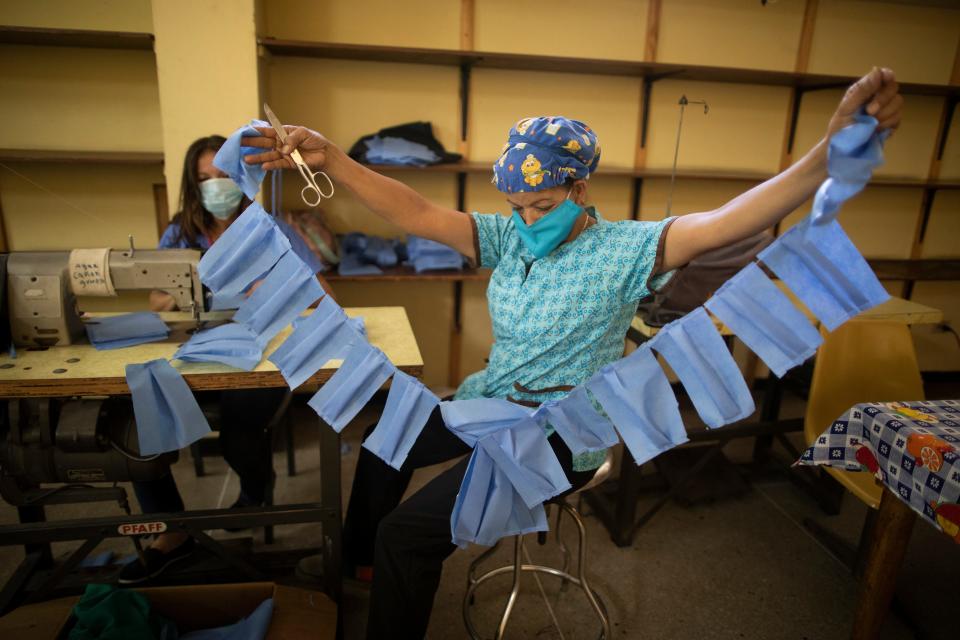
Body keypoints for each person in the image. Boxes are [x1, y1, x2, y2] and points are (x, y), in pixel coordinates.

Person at [243, 68, 903, 638]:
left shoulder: (626, 251)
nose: (529, 219)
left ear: (580, 189)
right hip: (490, 400)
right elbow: (415, 212)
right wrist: (330, 158)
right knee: (384, 440)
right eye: (516, 206)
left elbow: (731, 219)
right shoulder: (510, 238)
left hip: (560, 430)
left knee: (407, 534)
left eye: (543, 204)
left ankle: (383, 570)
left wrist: (828, 151)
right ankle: (360, 569)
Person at [118, 135, 333, 585]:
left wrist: (277, 288)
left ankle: (256, 492)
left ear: (243, 178)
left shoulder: (270, 228)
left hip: (260, 354)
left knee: (239, 425)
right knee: (138, 419)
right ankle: (171, 531)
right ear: (191, 185)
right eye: (203, 179)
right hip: (198, 350)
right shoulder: (180, 232)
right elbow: (157, 297)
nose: (215, 186)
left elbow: (324, 296)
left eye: (223, 176)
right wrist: (184, 288)